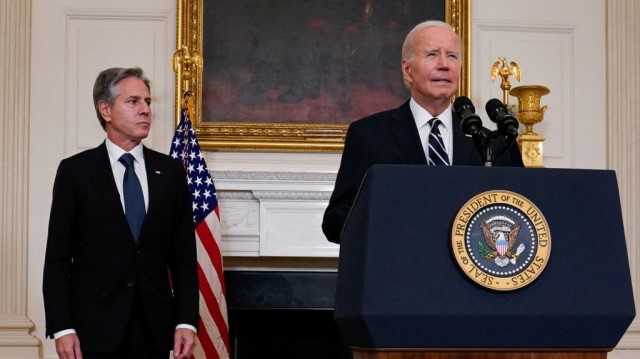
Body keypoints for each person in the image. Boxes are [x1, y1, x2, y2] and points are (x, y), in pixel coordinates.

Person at [43, 67, 198, 359]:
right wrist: (62, 327)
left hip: (156, 331)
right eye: (133, 101)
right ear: (106, 110)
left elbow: (184, 258)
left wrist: (186, 320)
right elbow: (57, 258)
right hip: (94, 331)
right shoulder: (76, 172)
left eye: (148, 102)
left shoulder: (171, 173)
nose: (145, 111)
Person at [322, 20, 524, 244]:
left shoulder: (493, 145)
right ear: (408, 70)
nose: (444, 64)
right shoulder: (369, 135)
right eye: (432, 55)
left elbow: (523, 216)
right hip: (399, 269)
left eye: (452, 56)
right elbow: (335, 223)